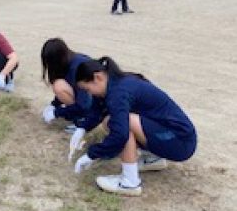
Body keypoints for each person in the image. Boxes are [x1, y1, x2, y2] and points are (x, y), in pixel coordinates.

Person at [72, 57, 197, 196]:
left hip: (179, 141)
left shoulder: (118, 93)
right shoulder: (116, 82)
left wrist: (91, 154)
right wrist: (82, 127)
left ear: (98, 77)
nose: (89, 94)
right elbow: (99, 109)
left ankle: (130, 182)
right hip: (177, 135)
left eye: (88, 89)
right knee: (111, 121)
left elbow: (120, 135)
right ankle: (152, 158)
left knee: (120, 123)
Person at [40, 38, 93, 141]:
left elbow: (83, 104)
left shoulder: (78, 68)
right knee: (58, 85)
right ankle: (79, 117)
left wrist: (56, 112)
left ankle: (83, 120)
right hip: (87, 99)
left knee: (59, 86)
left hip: (94, 102)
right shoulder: (67, 62)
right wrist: (53, 104)